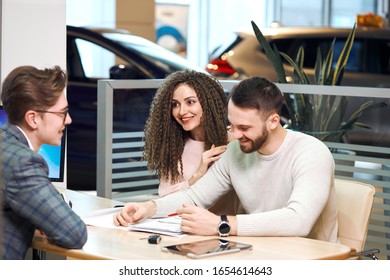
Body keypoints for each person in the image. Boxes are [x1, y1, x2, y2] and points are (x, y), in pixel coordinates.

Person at [114, 76, 338, 243]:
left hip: (311, 258)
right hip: (261, 251)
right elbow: (196, 196)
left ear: (273, 121)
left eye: (244, 127)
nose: (236, 135)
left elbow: (298, 221)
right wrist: (149, 207)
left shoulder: (311, 152)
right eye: (232, 125)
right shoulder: (236, 152)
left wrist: (221, 224)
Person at [0, 65, 87, 259]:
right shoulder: (22, 164)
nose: (69, 120)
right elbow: (75, 234)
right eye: (62, 113)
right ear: (33, 119)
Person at [142, 69, 240, 214]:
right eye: (175, 104)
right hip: (180, 227)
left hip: (223, 228)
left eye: (190, 102)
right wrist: (198, 175)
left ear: (209, 103)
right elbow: (164, 201)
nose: (181, 111)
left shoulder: (233, 141)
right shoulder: (173, 145)